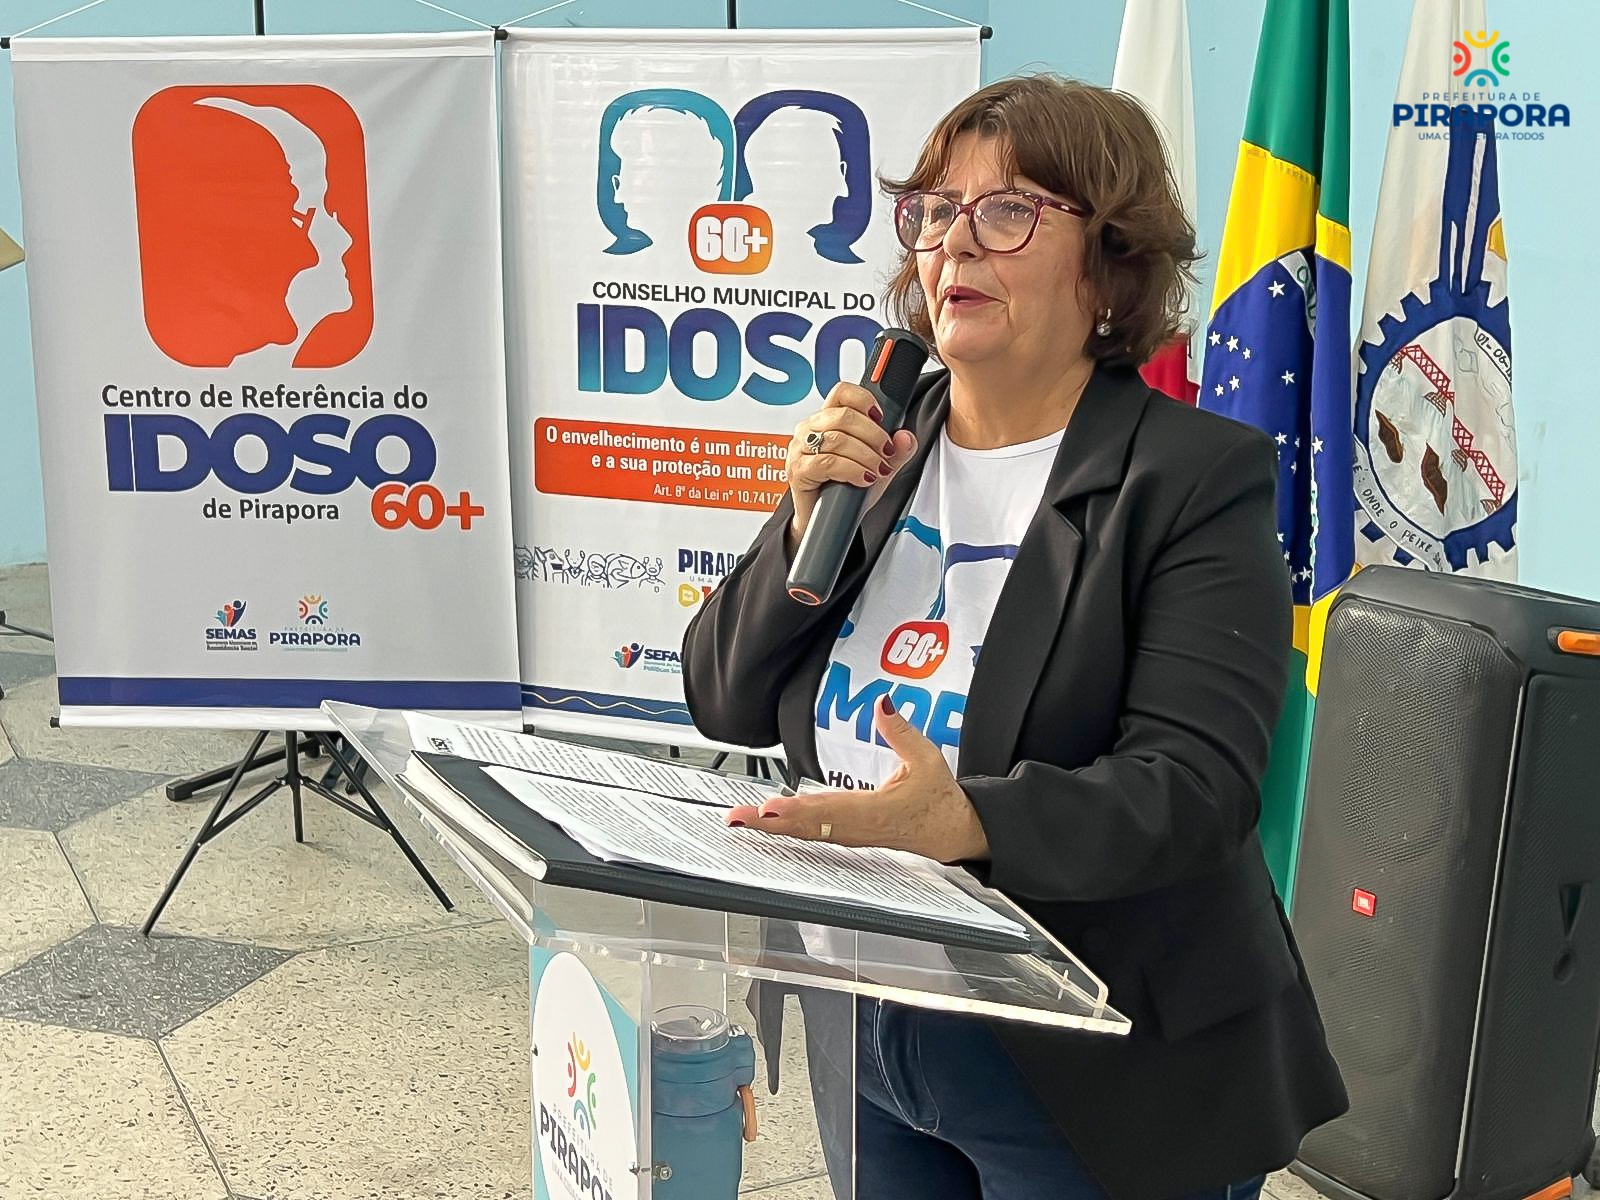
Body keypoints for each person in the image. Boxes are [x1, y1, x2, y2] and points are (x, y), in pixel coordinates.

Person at [681, 74, 1348, 1200]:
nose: (954, 243)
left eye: (1007, 212)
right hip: (869, 1013)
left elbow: (1195, 788)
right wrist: (800, 522)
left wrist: (967, 821)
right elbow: (724, 700)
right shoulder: (879, 449)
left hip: (1093, 1057)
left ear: (1109, 260)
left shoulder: (1189, 479)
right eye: (938, 211)